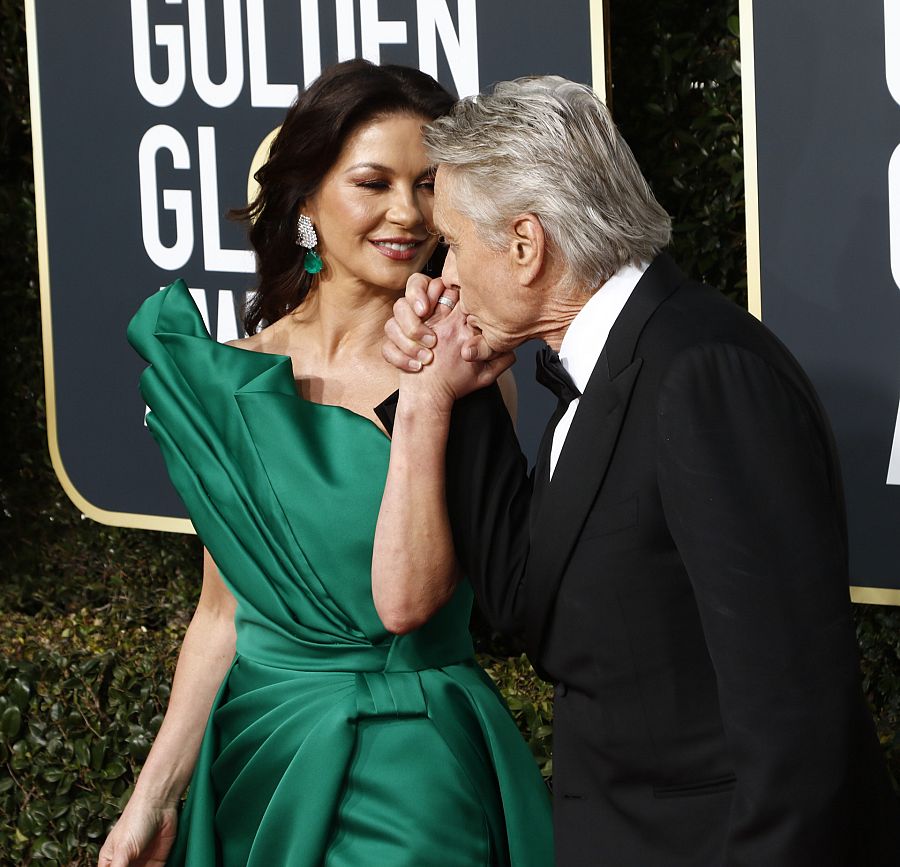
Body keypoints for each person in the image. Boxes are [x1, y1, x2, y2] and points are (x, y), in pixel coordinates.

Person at [379, 75, 900, 866]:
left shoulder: (703, 375)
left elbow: (794, 727)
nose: (441, 276)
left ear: (526, 247)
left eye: (450, 241)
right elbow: (525, 597)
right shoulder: (606, 366)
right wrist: (447, 392)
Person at [99, 60, 552, 867]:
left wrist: (430, 395)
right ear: (305, 197)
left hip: (412, 768)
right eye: (373, 182)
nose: (406, 214)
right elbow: (221, 616)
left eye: (427, 186)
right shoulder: (229, 378)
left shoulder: (464, 372)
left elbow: (441, 594)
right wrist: (150, 799)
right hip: (261, 761)